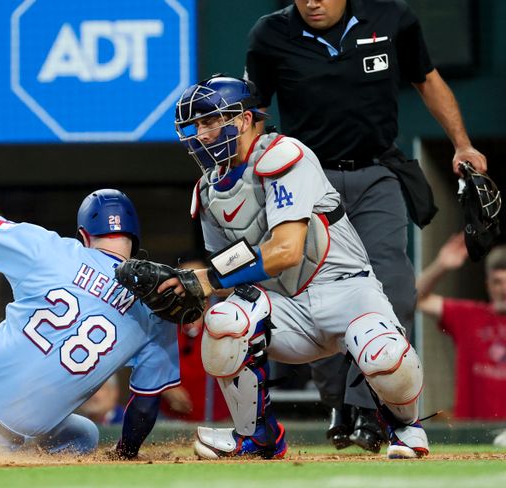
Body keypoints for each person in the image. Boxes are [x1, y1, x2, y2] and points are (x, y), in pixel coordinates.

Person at [0, 83, 181, 457]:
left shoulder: (50, 248)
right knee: (82, 440)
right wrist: (124, 455)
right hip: (11, 433)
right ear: (135, 241)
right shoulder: (159, 307)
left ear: (84, 235)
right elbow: (144, 405)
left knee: (80, 431)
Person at [244, 0, 488, 451]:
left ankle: (364, 407)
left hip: (376, 172)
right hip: (308, 182)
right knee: (314, 293)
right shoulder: (270, 34)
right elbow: (251, 112)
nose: (312, 1)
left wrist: (462, 144)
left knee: (392, 284)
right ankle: (340, 403)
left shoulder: (393, 20)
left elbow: (427, 79)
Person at [152, 75, 428, 459]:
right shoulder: (206, 191)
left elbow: (286, 251)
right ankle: (257, 435)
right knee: (223, 321)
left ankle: (405, 427)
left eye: (210, 121)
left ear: (244, 120)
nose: (201, 133)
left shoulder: (284, 156)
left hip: (345, 290)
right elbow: (229, 267)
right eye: (195, 125)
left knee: (384, 356)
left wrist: (206, 278)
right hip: (285, 307)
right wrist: (194, 292)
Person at [416, 234, 506, 420]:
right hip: (470, 433)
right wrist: (441, 266)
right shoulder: (469, 316)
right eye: (497, 282)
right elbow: (414, 299)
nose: (504, 289)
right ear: (487, 285)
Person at [160, 254, 231, 422]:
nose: (191, 284)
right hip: (170, 421)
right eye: (184, 277)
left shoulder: (227, 319)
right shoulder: (162, 321)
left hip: (221, 420)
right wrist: (164, 387)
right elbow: (143, 361)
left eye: (196, 276)